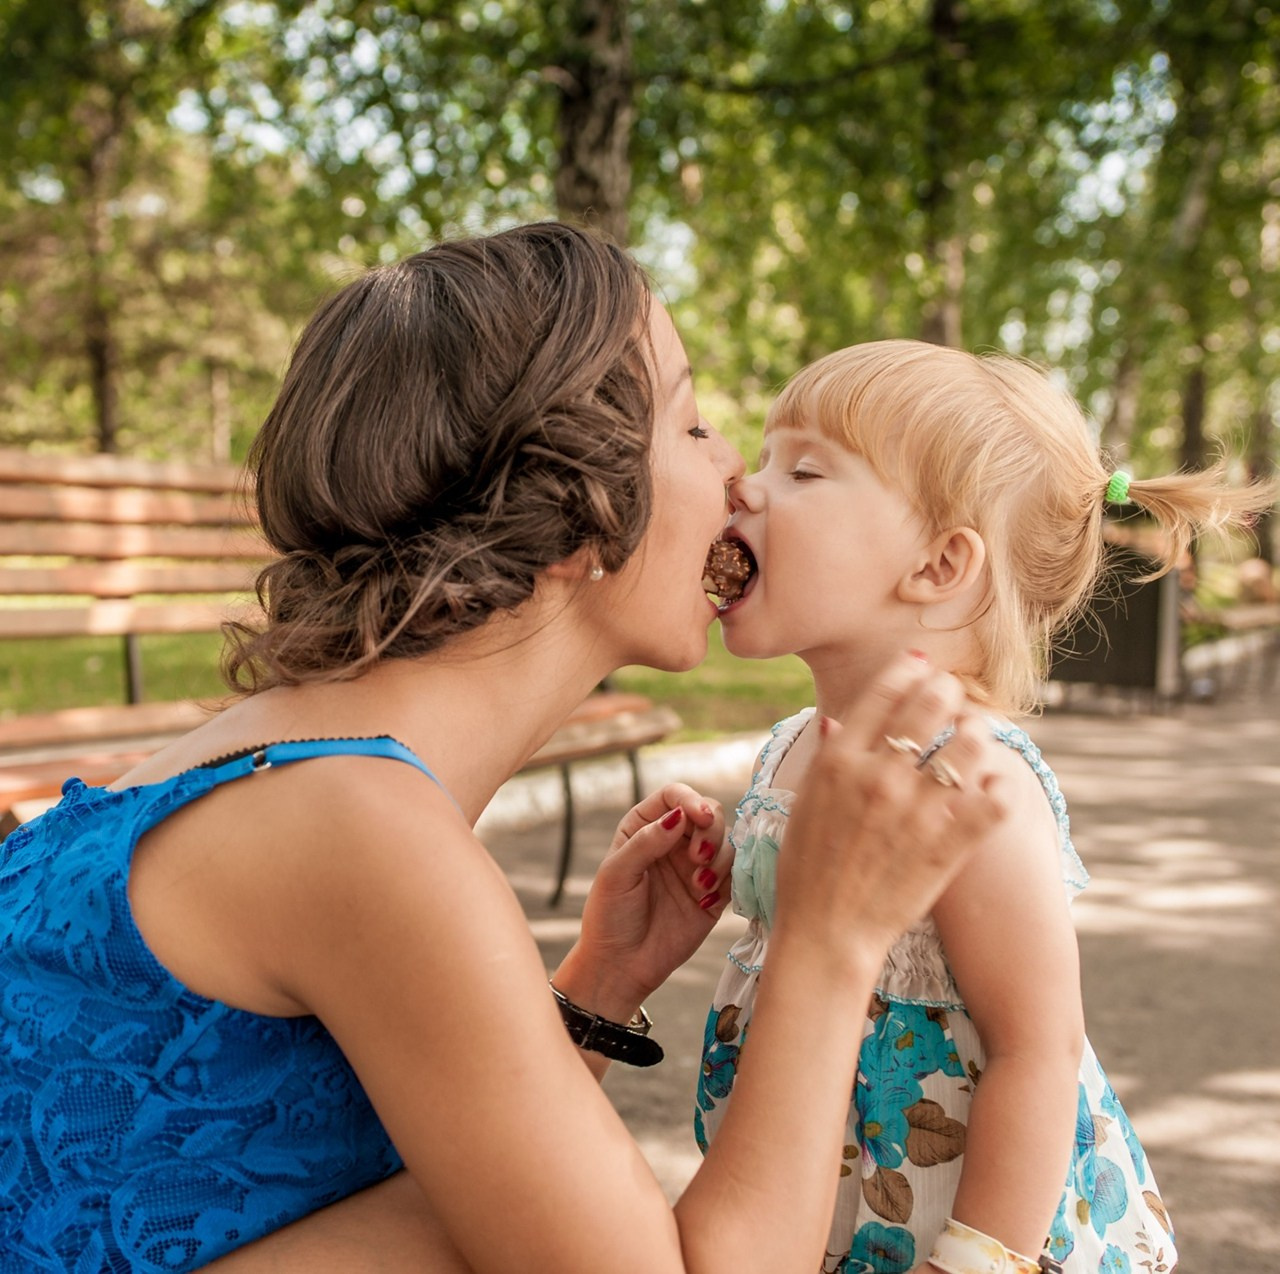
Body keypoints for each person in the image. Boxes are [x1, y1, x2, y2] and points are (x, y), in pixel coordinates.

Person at [0, 226, 1007, 1274]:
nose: (735, 473)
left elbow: (479, 1188)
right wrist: (829, 936)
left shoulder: (273, 757)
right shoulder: (363, 828)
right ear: (584, 510)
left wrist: (596, 986)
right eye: (694, 425)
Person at [696, 338, 1276, 1274]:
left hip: (950, 1222)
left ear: (937, 564)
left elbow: (1038, 1050)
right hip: (811, 1194)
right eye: (764, 457)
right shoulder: (796, 745)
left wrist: (975, 1259)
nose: (746, 488)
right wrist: (718, 870)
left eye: (802, 470)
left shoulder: (971, 782)